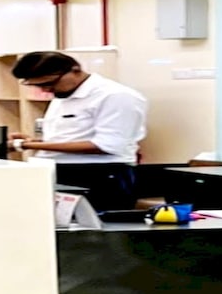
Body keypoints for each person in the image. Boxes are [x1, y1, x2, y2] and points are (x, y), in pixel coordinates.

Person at [9, 51, 147, 211]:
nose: (46, 90)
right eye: (38, 86)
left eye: (49, 83)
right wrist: (32, 141)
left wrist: (26, 145)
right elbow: (69, 139)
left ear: (75, 70)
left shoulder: (116, 96)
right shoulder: (63, 95)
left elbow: (106, 145)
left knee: (95, 225)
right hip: (58, 170)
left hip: (99, 175)